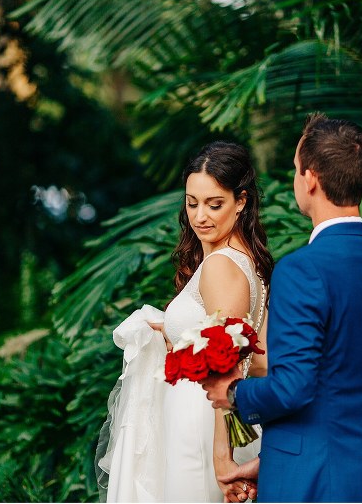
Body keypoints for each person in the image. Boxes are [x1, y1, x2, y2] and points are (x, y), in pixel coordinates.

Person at [201, 113, 362, 502]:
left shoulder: (301, 270)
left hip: (310, 485)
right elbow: (342, 384)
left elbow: (295, 387)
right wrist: (271, 461)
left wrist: (233, 393)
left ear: (310, 179)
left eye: (296, 169)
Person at [95, 141, 273, 503]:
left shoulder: (221, 265)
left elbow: (229, 367)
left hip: (201, 423)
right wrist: (175, 333)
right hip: (218, 418)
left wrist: (221, 459)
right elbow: (261, 360)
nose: (200, 216)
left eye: (214, 204)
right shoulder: (249, 263)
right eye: (192, 203)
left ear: (241, 201)